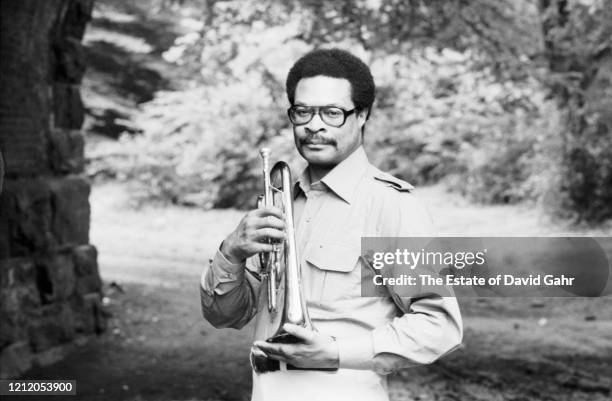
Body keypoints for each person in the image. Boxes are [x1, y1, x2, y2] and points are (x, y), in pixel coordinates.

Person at [200, 48, 462, 401]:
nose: (314, 125)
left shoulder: (390, 205)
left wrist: (337, 352)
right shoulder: (281, 201)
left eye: (332, 113)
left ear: (362, 114)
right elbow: (225, 316)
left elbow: (439, 325)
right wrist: (230, 252)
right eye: (303, 111)